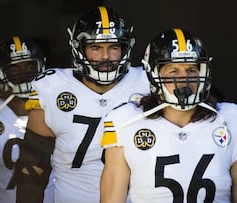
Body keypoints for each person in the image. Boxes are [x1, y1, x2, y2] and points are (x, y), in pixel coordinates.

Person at [12, 6, 150, 203]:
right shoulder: (53, 87)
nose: (105, 57)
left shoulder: (146, 83)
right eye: (96, 48)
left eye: (113, 47)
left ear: (125, 48)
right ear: (79, 48)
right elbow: (32, 167)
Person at [100, 28, 237, 202]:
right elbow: (112, 198)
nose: (184, 78)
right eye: (173, 71)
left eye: (191, 70)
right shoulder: (125, 121)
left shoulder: (230, 119)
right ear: (153, 74)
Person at [0, 36, 55, 203]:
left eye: (30, 66)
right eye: (15, 69)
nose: (25, 74)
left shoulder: (57, 111)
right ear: (0, 72)